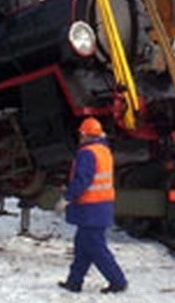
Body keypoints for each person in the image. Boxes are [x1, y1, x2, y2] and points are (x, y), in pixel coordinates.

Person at [56, 117, 128, 294]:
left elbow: (83, 180)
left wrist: (66, 197)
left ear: (86, 135)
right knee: (82, 246)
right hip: (100, 206)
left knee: (95, 247)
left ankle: (118, 281)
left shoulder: (87, 153)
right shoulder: (103, 150)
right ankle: (74, 282)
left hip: (90, 208)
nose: (80, 138)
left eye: (81, 134)